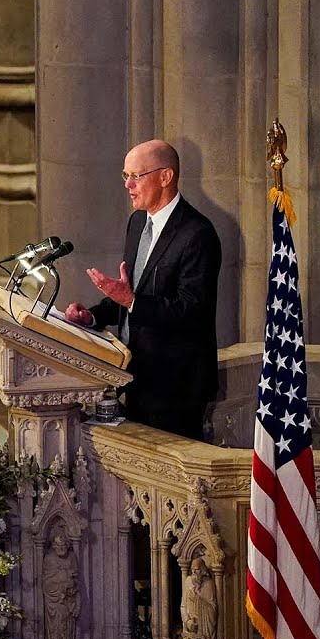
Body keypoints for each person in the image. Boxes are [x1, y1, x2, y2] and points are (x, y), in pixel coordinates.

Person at [63, 139, 221, 441]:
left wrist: (132, 300)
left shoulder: (197, 234)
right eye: (126, 176)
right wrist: (92, 317)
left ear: (165, 177)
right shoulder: (137, 223)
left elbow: (191, 312)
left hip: (175, 388)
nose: (128, 185)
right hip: (134, 377)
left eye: (136, 176)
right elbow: (130, 292)